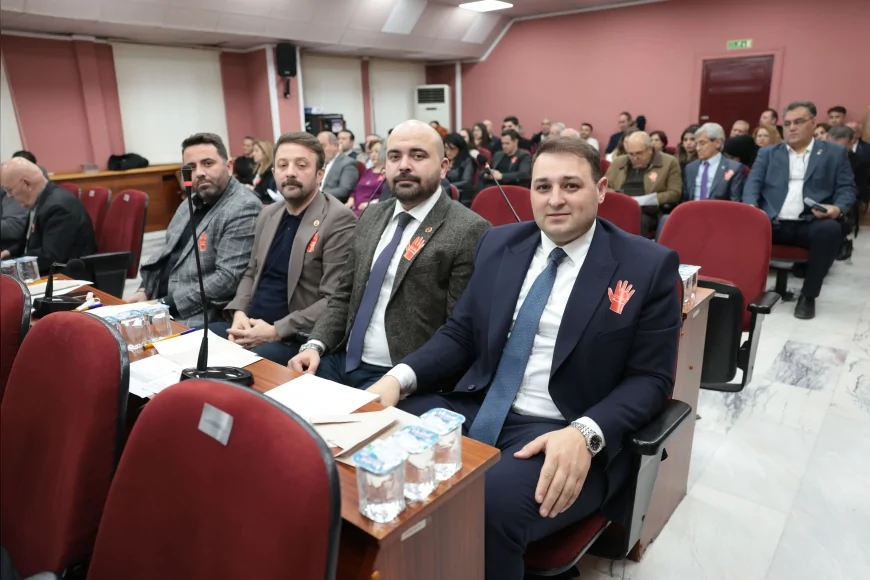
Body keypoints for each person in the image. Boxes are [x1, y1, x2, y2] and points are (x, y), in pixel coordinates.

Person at [365, 137, 682, 580]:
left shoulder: (647, 265)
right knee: (375, 449)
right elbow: (460, 333)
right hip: (478, 406)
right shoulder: (499, 243)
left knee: (484, 506)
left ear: (601, 189)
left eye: (570, 186)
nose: (555, 200)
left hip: (563, 428)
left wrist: (585, 433)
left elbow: (650, 379)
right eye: (542, 187)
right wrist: (397, 379)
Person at [288, 120, 490, 390]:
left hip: (402, 374)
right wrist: (315, 345)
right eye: (394, 157)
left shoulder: (468, 230)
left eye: (418, 156)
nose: (403, 165)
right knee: (279, 403)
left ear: (444, 167)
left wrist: (401, 378)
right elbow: (344, 294)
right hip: (341, 360)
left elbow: (459, 333)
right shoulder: (372, 215)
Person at [213, 132, 357, 364]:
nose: (290, 172)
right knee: (196, 345)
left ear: (320, 174)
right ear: (274, 173)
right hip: (251, 326)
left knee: (239, 369)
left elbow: (334, 299)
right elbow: (251, 272)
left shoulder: (338, 219)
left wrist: (275, 331)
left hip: (293, 337)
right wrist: (239, 313)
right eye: (282, 165)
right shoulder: (269, 214)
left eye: (301, 165)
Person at [128, 133, 262, 327]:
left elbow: (227, 279)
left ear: (229, 167)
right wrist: (144, 291)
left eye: (208, 163)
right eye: (191, 167)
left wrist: (163, 304)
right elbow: (168, 255)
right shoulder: (189, 203)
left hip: (199, 315)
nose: (199, 173)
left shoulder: (243, 207)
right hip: (159, 305)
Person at [743, 101, 856, 320]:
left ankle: (808, 296)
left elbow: (847, 188)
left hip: (810, 222)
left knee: (831, 230)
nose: (792, 128)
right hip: (771, 222)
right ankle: (746, 290)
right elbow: (752, 185)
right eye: (787, 124)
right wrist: (750, 207)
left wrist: (837, 208)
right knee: (741, 227)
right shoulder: (768, 153)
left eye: (799, 122)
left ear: (813, 123)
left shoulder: (833, 153)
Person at [0, 157, 97, 270]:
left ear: (27, 184)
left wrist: (10, 266)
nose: (9, 196)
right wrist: (9, 252)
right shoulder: (41, 200)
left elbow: (50, 257)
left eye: (9, 190)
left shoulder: (58, 208)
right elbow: (33, 242)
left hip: (65, 275)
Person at [657, 123, 746, 238]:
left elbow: (735, 202)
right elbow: (685, 198)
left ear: (717, 143)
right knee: (665, 220)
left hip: (717, 217)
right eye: (697, 143)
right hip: (692, 215)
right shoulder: (691, 168)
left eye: (702, 143)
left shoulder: (733, 168)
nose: (698, 148)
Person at [605, 131, 682, 234]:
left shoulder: (669, 162)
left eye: (639, 153)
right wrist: (617, 196)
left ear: (650, 149)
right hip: (620, 206)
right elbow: (604, 186)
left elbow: (674, 193)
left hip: (648, 211)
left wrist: (641, 200)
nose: (634, 158)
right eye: (631, 154)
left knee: (637, 220)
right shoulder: (619, 162)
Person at [317, 131, 360, 205]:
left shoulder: (348, 163)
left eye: (322, 146)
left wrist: (317, 194)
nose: (319, 150)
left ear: (335, 146)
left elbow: (344, 191)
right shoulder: (320, 163)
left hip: (333, 205)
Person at [348, 140, 387, 216]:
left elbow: (387, 197)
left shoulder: (387, 173)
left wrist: (370, 204)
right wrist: (351, 199)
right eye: (371, 152)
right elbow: (356, 189)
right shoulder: (367, 171)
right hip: (354, 210)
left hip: (372, 211)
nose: (373, 155)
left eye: (376, 151)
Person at [444, 132, 475, 203]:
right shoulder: (444, 159)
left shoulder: (467, 161)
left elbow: (467, 182)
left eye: (452, 149)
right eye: (446, 148)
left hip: (460, 196)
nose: (448, 152)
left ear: (460, 148)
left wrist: (448, 186)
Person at [248, 139, 277, 204]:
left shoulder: (270, 171)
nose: (253, 154)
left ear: (265, 152)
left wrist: (251, 188)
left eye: (256, 151)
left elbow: (266, 191)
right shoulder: (256, 169)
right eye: (253, 151)